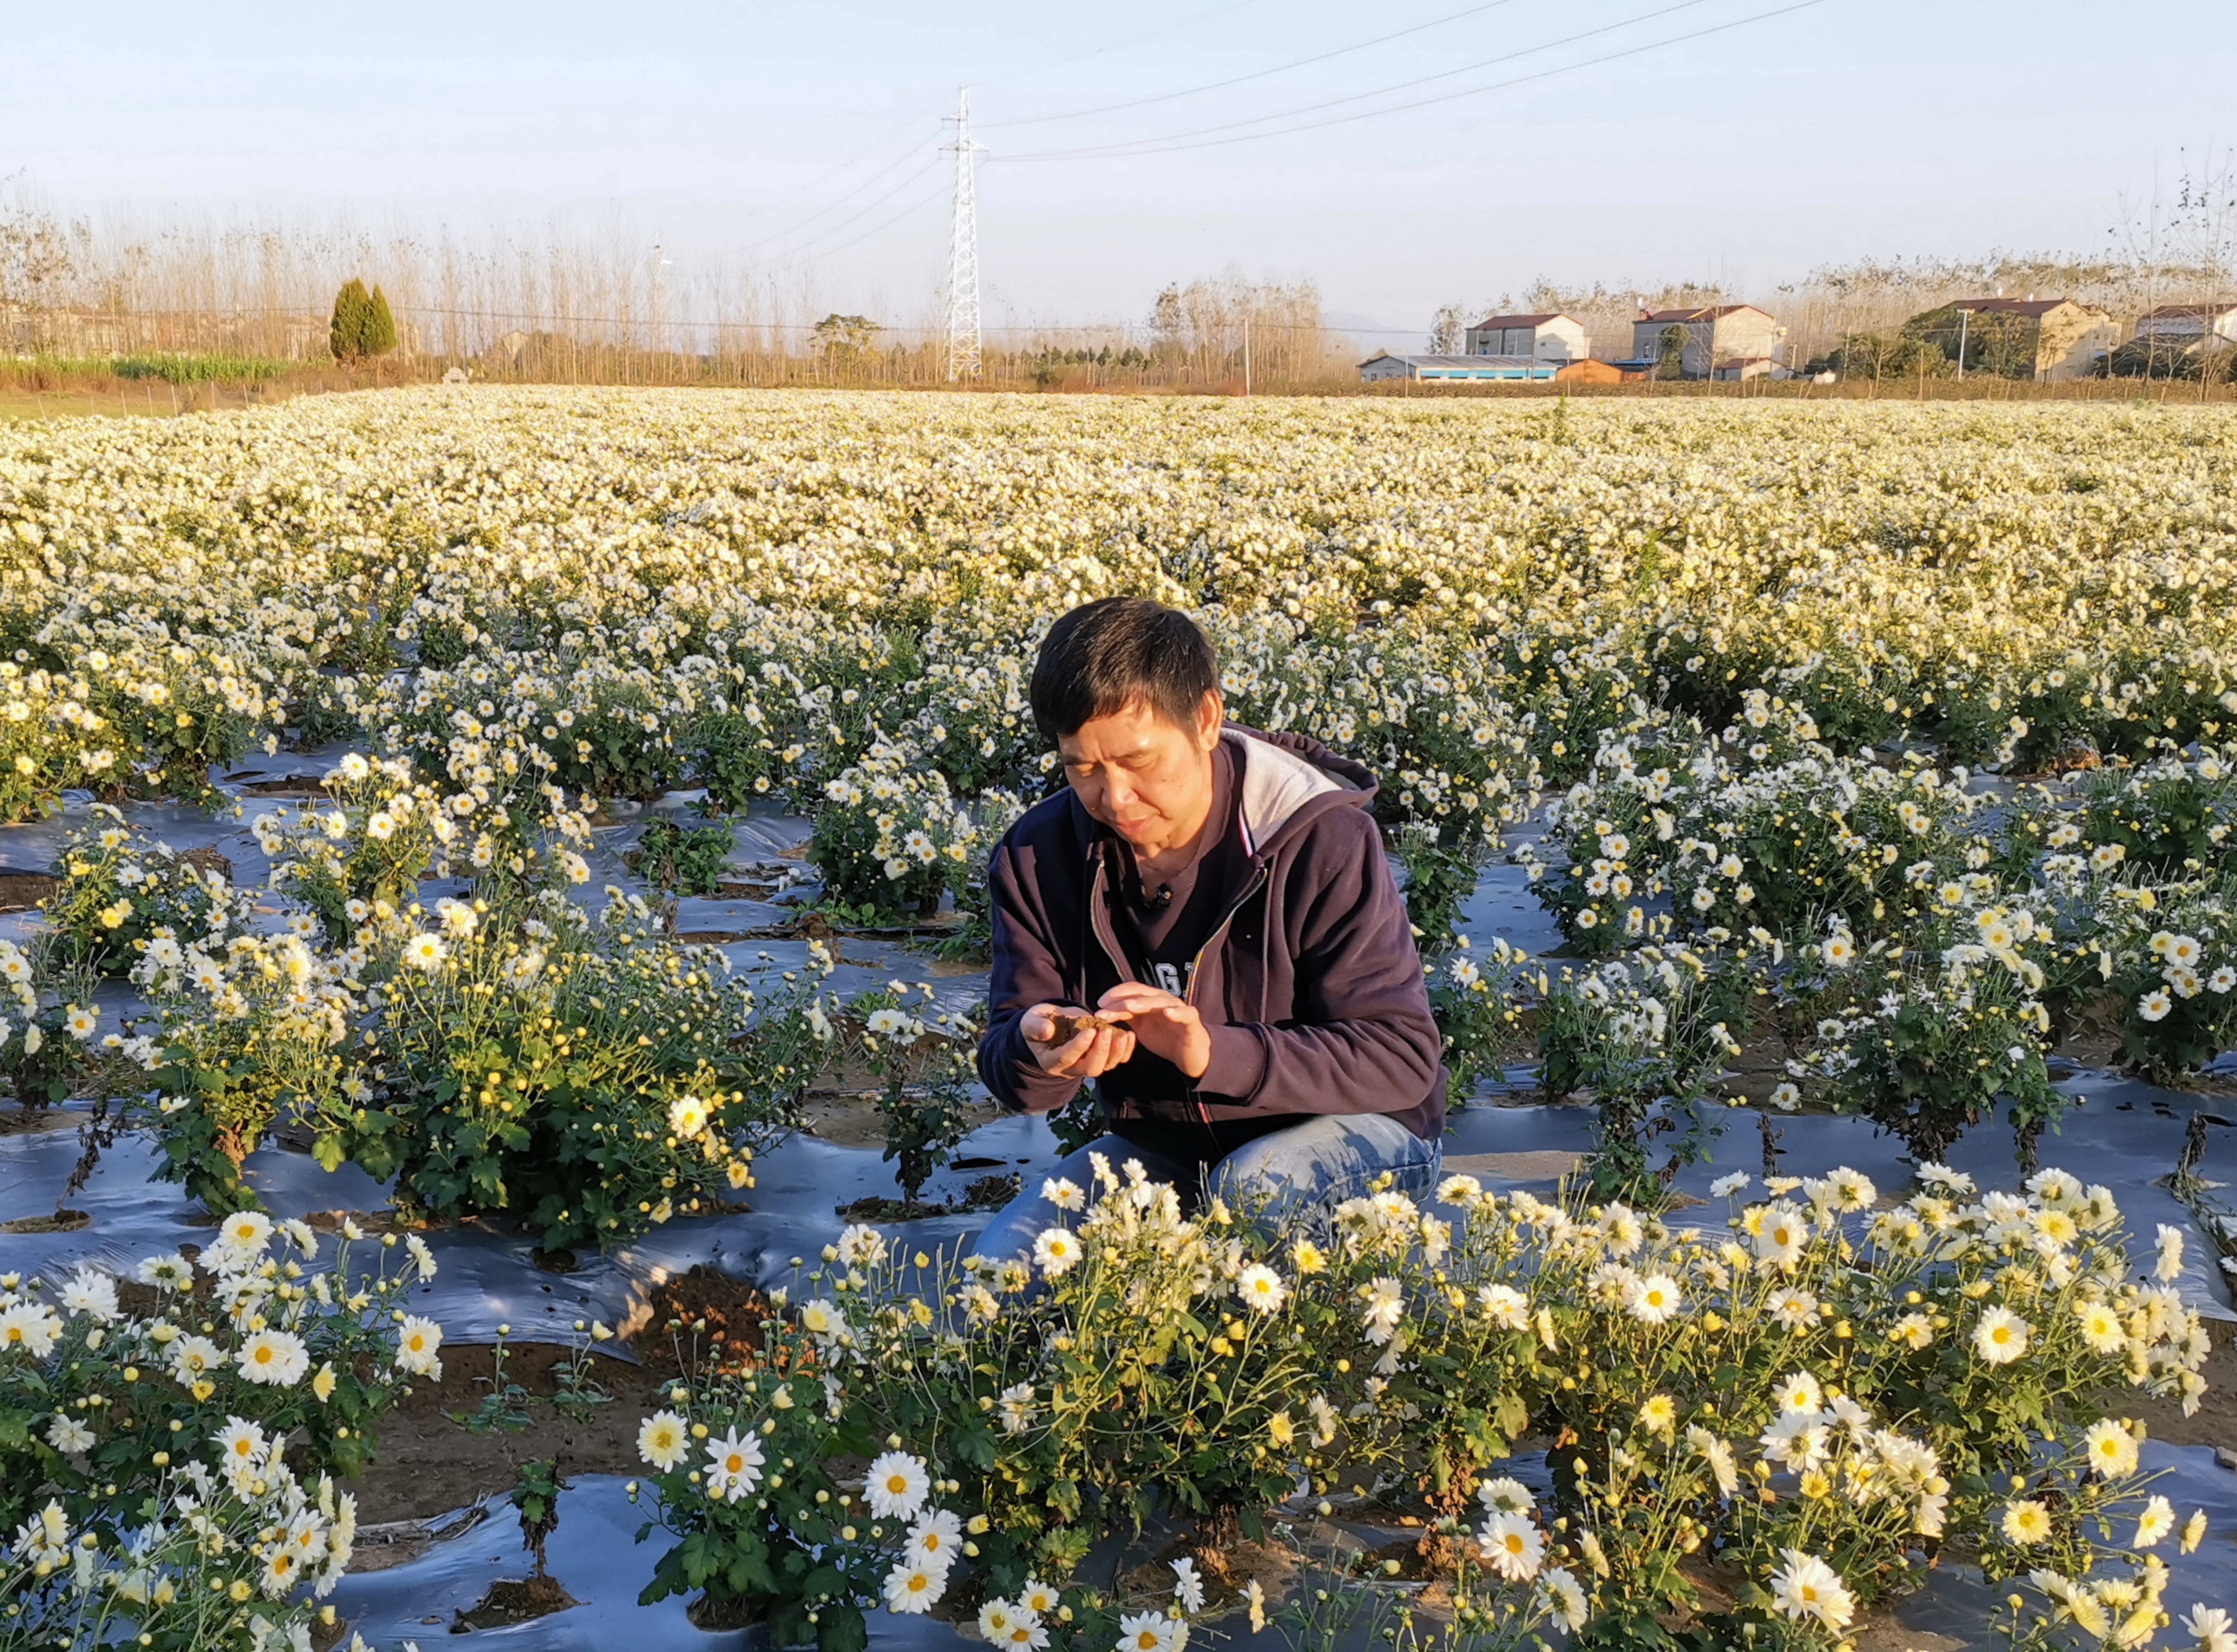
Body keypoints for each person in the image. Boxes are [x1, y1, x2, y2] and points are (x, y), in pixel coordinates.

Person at [970, 596, 1444, 1267]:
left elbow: (1398, 1058)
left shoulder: (1317, 837)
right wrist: (1034, 1049)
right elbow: (1015, 1069)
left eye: (1138, 761)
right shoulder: (1034, 857)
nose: (1115, 799)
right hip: (1166, 1151)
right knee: (1002, 1275)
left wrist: (1208, 1052)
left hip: (1360, 1137)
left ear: (1205, 719)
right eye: (1082, 768)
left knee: (1251, 1199)